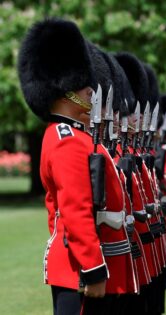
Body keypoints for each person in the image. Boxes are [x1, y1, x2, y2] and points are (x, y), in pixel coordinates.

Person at [17, 18, 137, 315]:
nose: (89, 91)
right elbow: (75, 208)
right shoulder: (66, 139)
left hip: (85, 259)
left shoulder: (78, 137)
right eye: (83, 87)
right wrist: (93, 268)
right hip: (79, 268)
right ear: (64, 88)